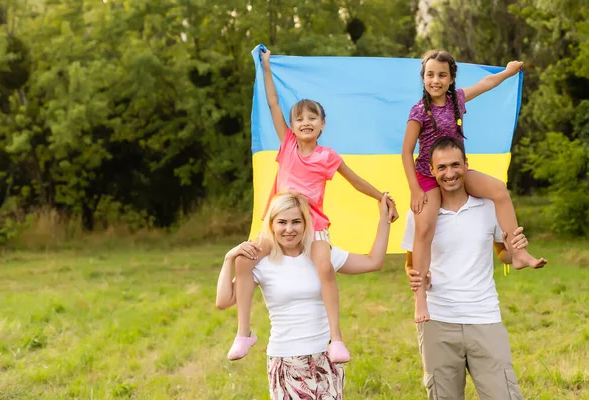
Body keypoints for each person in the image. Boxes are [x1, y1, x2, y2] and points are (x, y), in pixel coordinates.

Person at [227, 48, 399, 363]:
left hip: (313, 225)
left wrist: (380, 197)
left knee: (323, 266)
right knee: (244, 260)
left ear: (322, 124)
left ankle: (336, 339)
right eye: (300, 118)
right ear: (292, 126)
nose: (305, 122)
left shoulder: (327, 157)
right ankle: (244, 332)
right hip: (279, 223)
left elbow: (356, 181)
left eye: (312, 118)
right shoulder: (287, 145)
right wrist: (267, 68)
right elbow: (273, 104)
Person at [402, 49, 545, 323]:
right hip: (428, 176)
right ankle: (420, 299)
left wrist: (507, 71)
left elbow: (486, 84)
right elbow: (406, 151)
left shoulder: (457, 99)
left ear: (451, 78)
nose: (436, 80)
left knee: (500, 191)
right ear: (423, 78)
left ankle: (518, 253)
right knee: (424, 229)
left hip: (457, 169)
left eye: (442, 75)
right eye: (430, 75)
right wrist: (415, 189)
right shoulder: (419, 110)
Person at [401, 136, 547, 399]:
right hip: (438, 320)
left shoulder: (488, 205)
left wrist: (515, 253)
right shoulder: (420, 212)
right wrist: (417, 275)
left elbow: (502, 253)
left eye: (455, 165)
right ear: (432, 171)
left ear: (466, 165)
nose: (450, 173)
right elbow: (411, 263)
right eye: (442, 167)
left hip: (484, 317)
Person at [216, 191, 392, 398]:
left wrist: (384, 219)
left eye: (296, 222)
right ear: (272, 224)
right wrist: (229, 258)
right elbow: (223, 300)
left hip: (324, 359)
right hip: (284, 360)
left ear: (306, 223)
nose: (289, 229)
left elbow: (373, 262)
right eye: (282, 222)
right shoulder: (263, 263)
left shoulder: (322, 255)